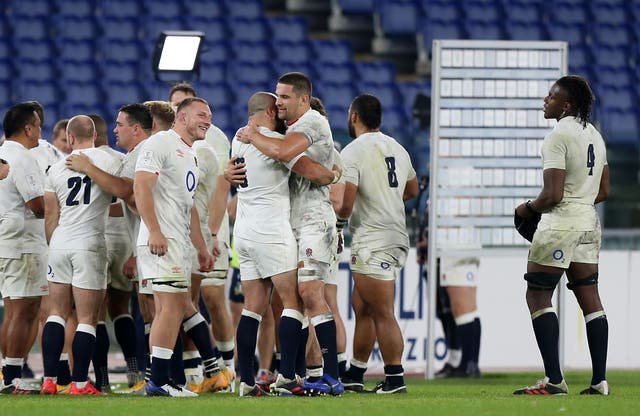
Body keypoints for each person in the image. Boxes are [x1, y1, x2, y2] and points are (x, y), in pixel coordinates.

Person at [236, 72, 343, 395]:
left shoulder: (311, 123)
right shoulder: (283, 131)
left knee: (310, 293)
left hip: (313, 221)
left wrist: (252, 136)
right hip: (287, 223)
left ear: (303, 99)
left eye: (284, 97)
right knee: (290, 301)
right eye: (277, 97)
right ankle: (293, 375)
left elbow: (287, 156)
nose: (279, 102)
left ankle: (331, 374)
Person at [512, 76, 610, 395]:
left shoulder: (557, 136)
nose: (545, 100)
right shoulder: (595, 135)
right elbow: (604, 190)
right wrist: (579, 202)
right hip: (588, 222)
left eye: (550, 97)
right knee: (590, 299)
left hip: (561, 223)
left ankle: (554, 381)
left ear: (565, 104)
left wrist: (526, 208)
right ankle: (599, 382)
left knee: (538, 295)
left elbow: (552, 195)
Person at [134, 97, 225, 397]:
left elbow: (191, 208)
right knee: (171, 308)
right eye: (202, 114)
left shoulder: (191, 153)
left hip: (179, 242)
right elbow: (141, 184)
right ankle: (159, 381)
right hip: (163, 241)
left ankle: (165, 380)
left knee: (171, 309)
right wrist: (155, 230)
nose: (208, 120)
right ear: (182, 117)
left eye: (210, 115)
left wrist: (201, 246)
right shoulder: (160, 142)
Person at [65, 104, 156, 394]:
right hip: (127, 239)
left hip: (97, 238)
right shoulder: (122, 159)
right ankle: (134, 372)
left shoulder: (77, 161)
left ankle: (102, 379)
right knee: (122, 308)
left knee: (95, 312)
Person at [336, 94, 419, 394]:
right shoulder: (397, 147)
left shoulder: (352, 151)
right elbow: (412, 188)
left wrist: (337, 221)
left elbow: (345, 204)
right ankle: (356, 373)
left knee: (382, 310)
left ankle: (395, 378)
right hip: (396, 233)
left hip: (372, 237)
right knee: (363, 306)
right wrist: (387, 199)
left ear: (354, 116)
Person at [41, 115, 122, 396]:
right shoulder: (110, 160)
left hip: (60, 242)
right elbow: (124, 192)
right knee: (87, 318)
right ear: (96, 137)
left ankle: (49, 380)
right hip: (89, 242)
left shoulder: (54, 168)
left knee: (56, 314)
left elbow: (51, 215)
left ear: (70, 138)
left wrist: (55, 246)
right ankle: (78, 383)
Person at [168, 83, 237, 387]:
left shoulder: (214, 139)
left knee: (211, 297)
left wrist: (212, 231)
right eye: (175, 105)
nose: (179, 109)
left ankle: (226, 364)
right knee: (184, 298)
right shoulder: (169, 141)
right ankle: (195, 367)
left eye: (184, 103)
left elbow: (224, 185)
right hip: (181, 230)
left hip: (210, 226)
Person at [0, 102, 47, 394]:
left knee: (13, 310)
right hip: (22, 242)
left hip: (7, 239)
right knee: (24, 311)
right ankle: (12, 379)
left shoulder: (2, 153)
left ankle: (8, 374)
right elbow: (37, 206)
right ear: (28, 128)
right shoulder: (23, 158)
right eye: (38, 126)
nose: (40, 131)